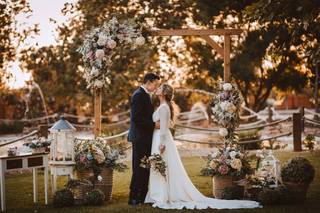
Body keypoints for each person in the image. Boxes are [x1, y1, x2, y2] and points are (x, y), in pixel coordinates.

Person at [144, 83, 261, 210]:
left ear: (164, 93)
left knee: (160, 164)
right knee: (160, 165)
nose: (157, 89)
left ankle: (161, 194)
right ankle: (160, 192)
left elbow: (163, 127)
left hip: (162, 139)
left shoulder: (163, 108)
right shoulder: (163, 106)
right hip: (161, 138)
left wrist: (161, 144)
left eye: (160, 88)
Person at [127, 72, 160, 205]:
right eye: (155, 84)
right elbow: (136, 118)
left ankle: (141, 195)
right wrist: (154, 125)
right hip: (140, 138)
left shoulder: (144, 95)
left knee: (144, 166)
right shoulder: (139, 95)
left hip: (144, 137)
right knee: (139, 167)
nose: (156, 87)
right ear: (149, 82)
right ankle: (134, 197)